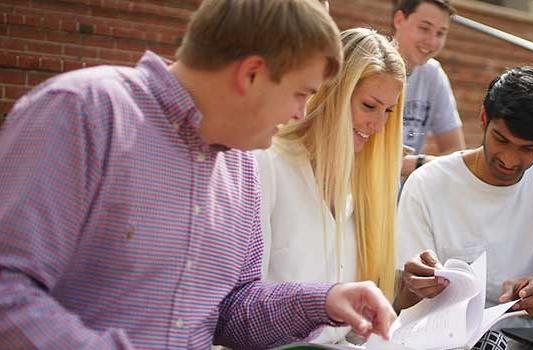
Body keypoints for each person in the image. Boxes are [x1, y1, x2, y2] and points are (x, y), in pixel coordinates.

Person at [0, 1, 396, 348]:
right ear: (251, 73)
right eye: (300, 93)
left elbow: (231, 312)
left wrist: (325, 300)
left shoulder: (241, 166)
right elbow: (8, 289)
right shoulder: (84, 112)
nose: (301, 114)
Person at [395, 67, 533, 329]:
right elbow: (405, 308)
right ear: (483, 118)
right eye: (501, 139)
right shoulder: (427, 184)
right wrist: (416, 287)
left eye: (528, 149)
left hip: (528, 339)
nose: (509, 159)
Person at [255, 27, 405, 344]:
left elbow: (350, 333)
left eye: (388, 111)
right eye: (369, 106)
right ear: (332, 92)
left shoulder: (365, 186)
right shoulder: (269, 163)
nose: (379, 126)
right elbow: (242, 309)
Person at [391, 0, 466, 176]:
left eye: (440, 33)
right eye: (424, 28)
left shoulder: (433, 73)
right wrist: (420, 163)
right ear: (399, 20)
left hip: (404, 194)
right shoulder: (371, 65)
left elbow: (455, 150)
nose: (432, 42)